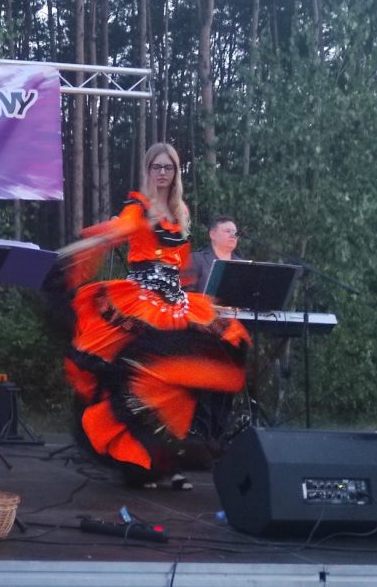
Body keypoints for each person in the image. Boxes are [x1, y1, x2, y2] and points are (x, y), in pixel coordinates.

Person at [58, 143, 251, 489]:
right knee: (141, 383)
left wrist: (195, 299)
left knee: (181, 383)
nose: (163, 173)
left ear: (176, 172)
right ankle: (140, 463)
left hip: (174, 303)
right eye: (157, 167)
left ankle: (169, 463)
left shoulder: (180, 211)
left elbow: (182, 263)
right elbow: (117, 230)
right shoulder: (139, 207)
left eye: (169, 168)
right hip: (142, 302)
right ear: (148, 170)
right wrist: (85, 245)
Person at [187, 215, 241, 293]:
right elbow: (186, 293)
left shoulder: (242, 264)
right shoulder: (196, 259)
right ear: (212, 235)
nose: (233, 235)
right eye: (227, 231)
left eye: (235, 232)